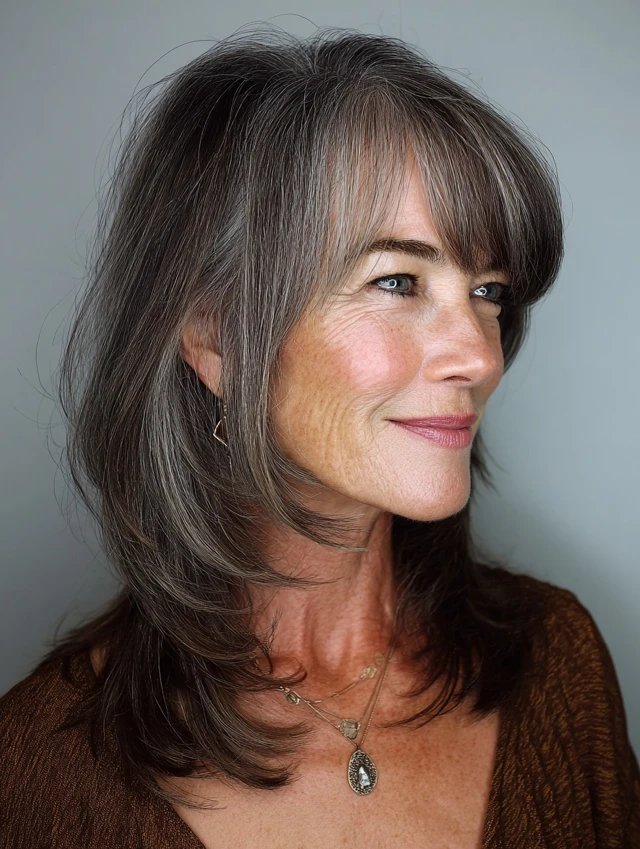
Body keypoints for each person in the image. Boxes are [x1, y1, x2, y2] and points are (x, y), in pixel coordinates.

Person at [1, 25, 638, 849]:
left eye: (488, 291)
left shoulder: (559, 663)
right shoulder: (40, 777)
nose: (482, 356)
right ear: (216, 336)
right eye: (398, 281)